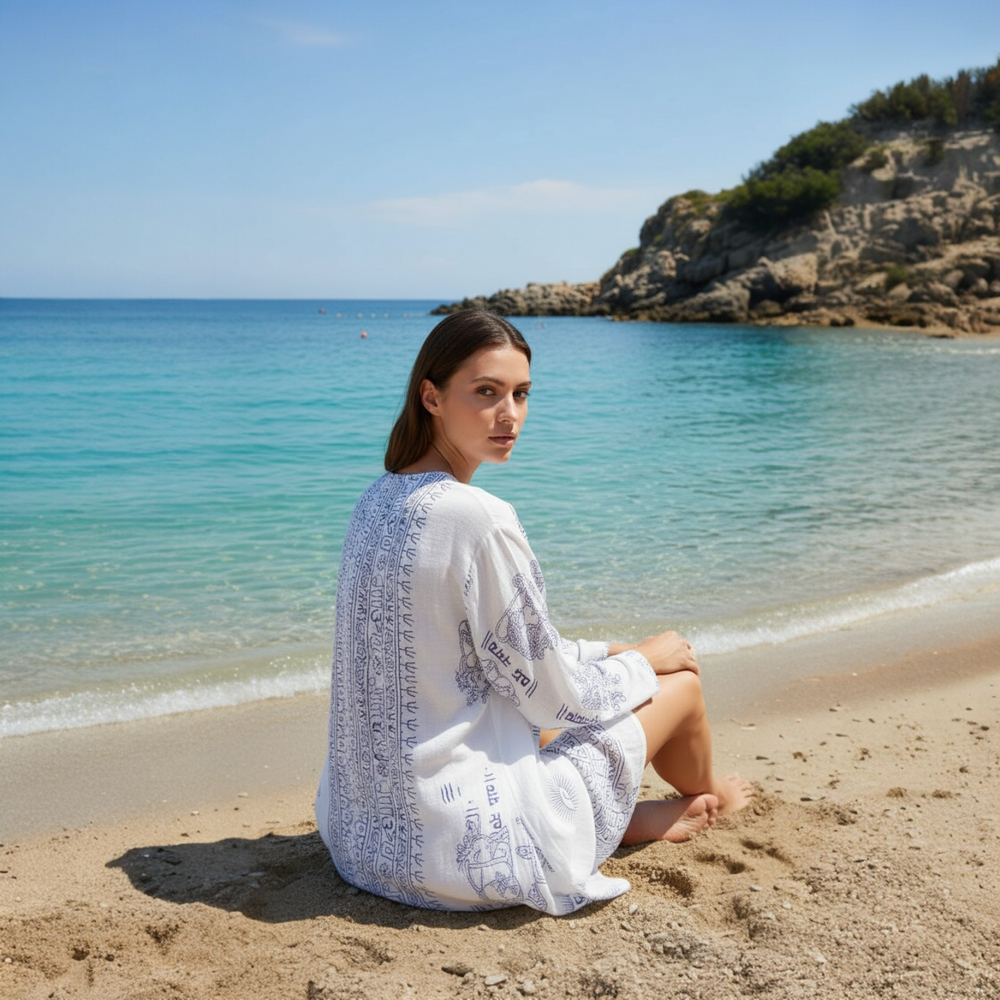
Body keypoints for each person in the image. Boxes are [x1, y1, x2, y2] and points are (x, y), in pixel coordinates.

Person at [316, 309, 751, 914]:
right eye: (486, 393)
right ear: (431, 396)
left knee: (572, 703)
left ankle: (624, 816)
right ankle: (712, 798)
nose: (509, 414)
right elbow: (551, 698)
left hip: (360, 838)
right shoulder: (479, 517)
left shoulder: (375, 502)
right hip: (462, 853)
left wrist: (609, 651)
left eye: (520, 394)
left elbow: (496, 657)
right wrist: (644, 662)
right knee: (679, 685)